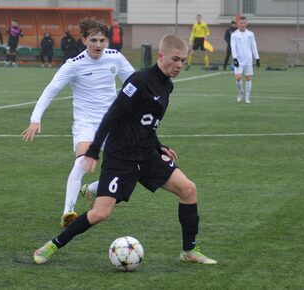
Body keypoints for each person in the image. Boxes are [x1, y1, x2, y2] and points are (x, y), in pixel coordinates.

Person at [33, 35, 217, 266]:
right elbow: (113, 115)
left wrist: (160, 146)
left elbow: (147, 123)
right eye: (175, 59)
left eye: (183, 60)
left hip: (148, 154)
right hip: (122, 156)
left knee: (189, 189)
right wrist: (93, 150)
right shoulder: (138, 81)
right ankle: (52, 245)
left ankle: (189, 251)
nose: (180, 65)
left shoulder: (167, 85)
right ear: (161, 57)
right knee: (101, 213)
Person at [22, 18, 135, 228]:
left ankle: (90, 189)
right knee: (82, 162)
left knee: (129, 171)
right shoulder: (74, 65)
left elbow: (135, 82)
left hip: (113, 124)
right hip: (86, 124)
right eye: (93, 40)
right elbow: (51, 90)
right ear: (83, 40)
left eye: (102, 40)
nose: (98, 45)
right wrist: (35, 119)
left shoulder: (115, 58)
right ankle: (69, 212)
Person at [230, 16, 260, 104]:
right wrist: (234, 58)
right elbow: (233, 47)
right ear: (238, 24)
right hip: (238, 60)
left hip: (248, 60)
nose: (242, 24)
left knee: (248, 78)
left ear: (246, 23)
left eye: (244, 23)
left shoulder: (250, 34)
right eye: (241, 23)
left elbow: (253, 46)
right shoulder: (234, 34)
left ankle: (247, 98)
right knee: (238, 77)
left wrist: (257, 58)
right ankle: (240, 92)